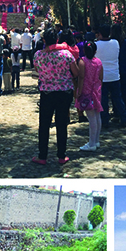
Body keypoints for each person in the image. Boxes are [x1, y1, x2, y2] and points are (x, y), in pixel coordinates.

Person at [32, 27, 79, 166]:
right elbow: (75, 72)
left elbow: (37, 70)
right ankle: (61, 155)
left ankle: (42, 155)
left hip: (47, 92)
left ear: (44, 40)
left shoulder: (39, 55)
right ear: (57, 40)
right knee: (61, 123)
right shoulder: (66, 55)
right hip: (64, 92)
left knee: (44, 124)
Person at [95, 24, 126, 130]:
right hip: (115, 75)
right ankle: (124, 118)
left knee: (103, 100)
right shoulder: (115, 43)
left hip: (102, 77)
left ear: (99, 34)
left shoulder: (96, 45)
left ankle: (104, 121)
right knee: (118, 98)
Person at [75, 41, 103, 151]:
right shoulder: (99, 62)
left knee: (91, 118)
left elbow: (81, 77)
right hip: (97, 90)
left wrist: (79, 91)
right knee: (97, 116)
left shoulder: (83, 61)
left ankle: (91, 143)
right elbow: (101, 77)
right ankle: (96, 141)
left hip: (86, 90)